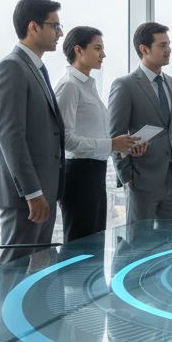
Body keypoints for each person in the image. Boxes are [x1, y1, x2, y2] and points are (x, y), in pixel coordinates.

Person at [0, 0, 68, 253]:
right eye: (55, 26)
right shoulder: (12, 68)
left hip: (43, 191)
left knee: (37, 273)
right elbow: (10, 136)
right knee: (14, 271)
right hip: (26, 198)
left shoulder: (35, 69)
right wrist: (32, 192)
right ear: (34, 27)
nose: (60, 33)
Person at [53, 26, 145, 242]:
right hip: (79, 174)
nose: (103, 54)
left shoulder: (87, 86)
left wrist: (124, 147)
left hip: (94, 172)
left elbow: (94, 133)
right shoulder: (69, 87)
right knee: (81, 246)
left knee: (93, 245)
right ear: (79, 50)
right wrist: (112, 145)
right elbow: (66, 140)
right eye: (97, 48)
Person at [108, 21, 172, 222]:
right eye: (162, 45)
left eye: (169, 44)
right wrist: (126, 176)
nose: (169, 50)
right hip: (142, 181)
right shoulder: (125, 85)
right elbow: (115, 136)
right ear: (144, 49)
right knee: (139, 245)